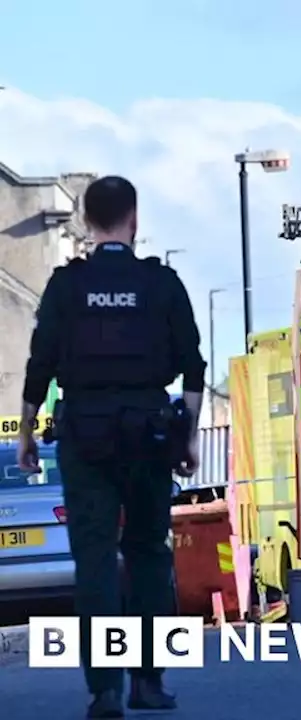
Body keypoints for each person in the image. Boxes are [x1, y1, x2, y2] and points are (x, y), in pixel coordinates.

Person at [16, 175, 206, 719]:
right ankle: (150, 682)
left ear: (85, 222)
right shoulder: (162, 284)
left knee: (95, 558)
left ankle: (104, 691)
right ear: (135, 219)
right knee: (149, 553)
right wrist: (186, 437)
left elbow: (40, 365)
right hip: (148, 432)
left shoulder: (65, 286)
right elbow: (193, 368)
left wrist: (29, 432)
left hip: (84, 434)